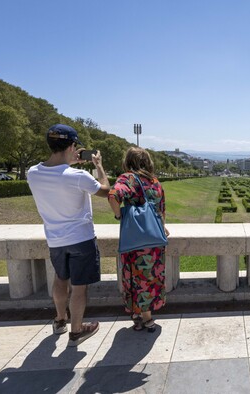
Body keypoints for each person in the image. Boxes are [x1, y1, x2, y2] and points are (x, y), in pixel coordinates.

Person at [27, 124, 111, 347]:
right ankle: (76, 332)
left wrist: (68, 163)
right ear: (73, 145)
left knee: (60, 279)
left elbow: (56, 173)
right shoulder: (79, 176)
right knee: (80, 287)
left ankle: (59, 320)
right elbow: (105, 190)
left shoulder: (32, 173)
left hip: (55, 239)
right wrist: (99, 167)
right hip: (81, 239)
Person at [108, 147, 170, 332]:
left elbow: (113, 196)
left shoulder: (128, 178)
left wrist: (120, 216)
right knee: (151, 277)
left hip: (135, 239)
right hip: (154, 238)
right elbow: (162, 210)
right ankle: (146, 316)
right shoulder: (155, 182)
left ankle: (143, 317)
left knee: (134, 276)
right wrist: (162, 227)